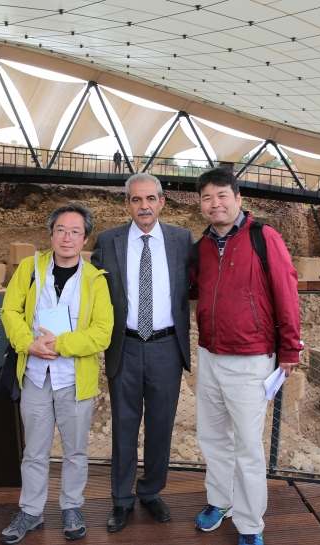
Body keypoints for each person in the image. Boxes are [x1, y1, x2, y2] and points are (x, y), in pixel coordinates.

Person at [189, 168, 302, 545]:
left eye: (221, 195)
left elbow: (286, 291)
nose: (214, 203)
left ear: (238, 198)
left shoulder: (262, 237)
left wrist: (289, 347)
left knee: (248, 445)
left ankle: (251, 524)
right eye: (207, 198)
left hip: (251, 356)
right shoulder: (202, 246)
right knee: (212, 436)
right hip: (209, 353)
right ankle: (220, 501)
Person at [0, 203, 114, 544]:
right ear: (51, 234)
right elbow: (10, 310)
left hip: (74, 379)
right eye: (61, 230)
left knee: (75, 450)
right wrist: (27, 344)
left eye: (75, 231)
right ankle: (31, 511)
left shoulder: (96, 280)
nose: (67, 237)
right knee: (34, 450)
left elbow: (102, 331)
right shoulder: (29, 268)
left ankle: (71, 507)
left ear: (85, 239)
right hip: (35, 374)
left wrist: (61, 343)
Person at [91, 173, 195, 532]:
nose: (144, 206)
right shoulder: (108, 240)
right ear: (127, 205)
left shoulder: (182, 240)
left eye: (150, 198)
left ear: (162, 202)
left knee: (161, 425)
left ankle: (151, 492)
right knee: (123, 425)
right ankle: (121, 500)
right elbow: (88, 291)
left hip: (167, 345)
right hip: (126, 346)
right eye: (136, 200)